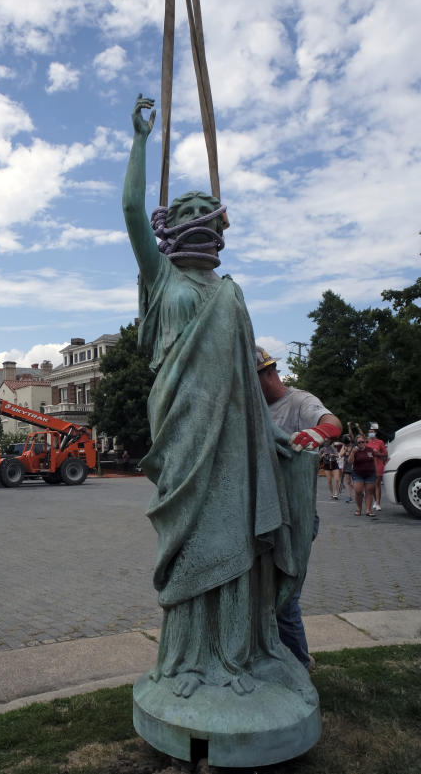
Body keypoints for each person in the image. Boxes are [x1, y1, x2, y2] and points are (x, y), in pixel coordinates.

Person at [124, 95, 317, 701]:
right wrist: (138, 142)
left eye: (212, 208)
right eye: (194, 208)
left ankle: (236, 653)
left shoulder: (231, 293)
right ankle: (185, 660)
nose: (205, 214)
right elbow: (131, 210)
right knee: (190, 542)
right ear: (176, 222)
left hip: (235, 435)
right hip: (183, 430)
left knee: (235, 542)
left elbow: (245, 377)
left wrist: (275, 434)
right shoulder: (163, 279)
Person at [256, 346, 342, 669]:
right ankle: (278, 658)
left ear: (268, 373)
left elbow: (332, 422)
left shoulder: (298, 402)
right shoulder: (255, 410)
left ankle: (301, 664)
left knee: (285, 600)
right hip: (267, 519)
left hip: (297, 518)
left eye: (252, 381)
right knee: (266, 598)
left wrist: (317, 433)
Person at [348, 435, 379, 517]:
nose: (361, 443)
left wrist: (376, 472)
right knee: (358, 491)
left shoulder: (370, 450)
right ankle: (359, 509)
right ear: (356, 443)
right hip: (358, 473)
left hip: (370, 473)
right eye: (359, 442)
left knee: (369, 491)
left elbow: (374, 460)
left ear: (365, 442)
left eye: (363, 442)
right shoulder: (355, 451)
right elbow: (350, 462)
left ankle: (368, 510)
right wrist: (353, 452)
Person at [365, 423, 388, 513]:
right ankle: (375, 500)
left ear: (375, 433)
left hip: (378, 464)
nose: (370, 433)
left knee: (377, 484)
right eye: (369, 432)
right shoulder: (367, 442)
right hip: (370, 465)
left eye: (372, 432)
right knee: (372, 485)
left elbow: (385, 454)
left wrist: (378, 453)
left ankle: (378, 503)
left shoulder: (380, 442)